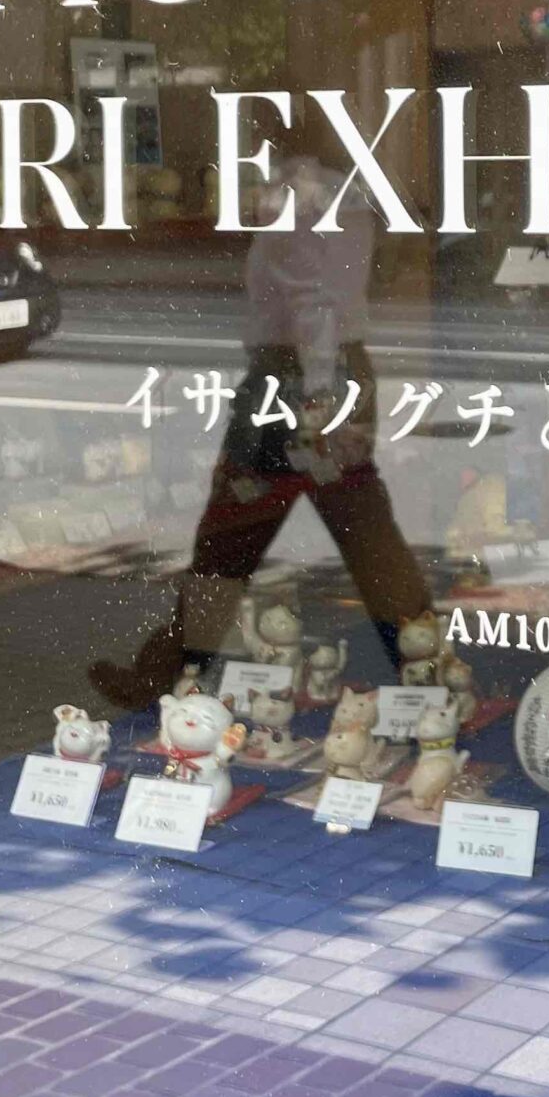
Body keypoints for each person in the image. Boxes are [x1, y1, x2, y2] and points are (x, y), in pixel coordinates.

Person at [90, 106, 433, 709]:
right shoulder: (348, 192)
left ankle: (170, 672)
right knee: (360, 528)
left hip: (295, 377)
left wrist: (317, 396)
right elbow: (341, 291)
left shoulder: (297, 194)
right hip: (334, 370)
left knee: (232, 531)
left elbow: (310, 301)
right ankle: (429, 671)